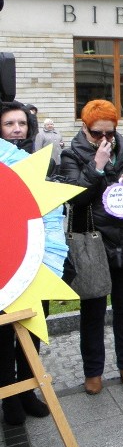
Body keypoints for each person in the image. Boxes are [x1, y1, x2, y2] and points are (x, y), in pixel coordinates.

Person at [60, 99, 123, 395]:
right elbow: (74, 197)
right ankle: (93, 371)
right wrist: (96, 166)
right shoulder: (71, 153)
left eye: (109, 133)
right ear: (85, 128)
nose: (104, 139)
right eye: (97, 133)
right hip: (93, 241)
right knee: (93, 309)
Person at [0, 101, 51, 425]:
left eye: (22, 123)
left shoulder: (39, 158)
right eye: (9, 124)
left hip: (36, 261)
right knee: (3, 338)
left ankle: (27, 391)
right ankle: (9, 398)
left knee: (32, 331)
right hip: (5, 264)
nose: (17, 128)